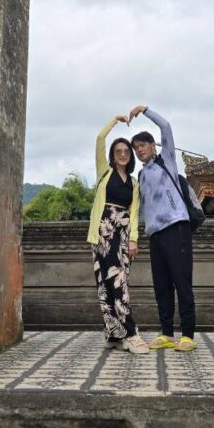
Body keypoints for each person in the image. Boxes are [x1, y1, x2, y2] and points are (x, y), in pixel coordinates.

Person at [129, 105, 196, 352]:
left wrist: (145, 110)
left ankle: (187, 334)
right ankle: (167, 333)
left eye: (143, 146)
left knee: (182, 282)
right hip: (155, 235)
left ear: (153, 146)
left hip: (176, 228)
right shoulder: (142, 175)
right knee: (162, 285)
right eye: (136, 149)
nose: (139, 151)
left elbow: (166, 127)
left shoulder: (166, 160)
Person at [87, 115, 149, 355]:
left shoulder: (133, 184)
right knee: (109, 283)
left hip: (123, 235)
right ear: (113, 154)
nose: (123, 154)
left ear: (130, 156)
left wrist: (133, 239)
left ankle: (114, 335)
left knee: (119, 281)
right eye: (118, 150)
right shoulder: (104, 172)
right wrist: (115, 120)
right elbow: (100, 138)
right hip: (103, 233)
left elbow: (134, 213)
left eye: (126, 151)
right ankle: (130, 334)